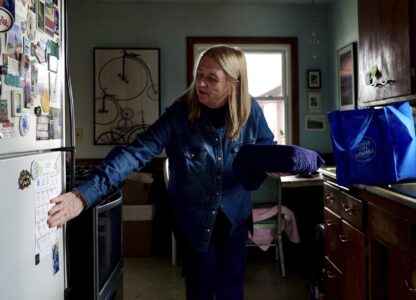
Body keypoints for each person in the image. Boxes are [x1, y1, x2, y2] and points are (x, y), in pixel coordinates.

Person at [48, 45, 278, 300]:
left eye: (212, 79)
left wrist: (276, 164)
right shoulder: (179, 114)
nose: (200, 83)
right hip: (194, 222)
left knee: (232, 290)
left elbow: (266, 150)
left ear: (234, 84)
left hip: (236, 219)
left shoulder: (251, 111)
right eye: (199, 74)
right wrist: (83, 196)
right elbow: (134, 153)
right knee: (200, 290)